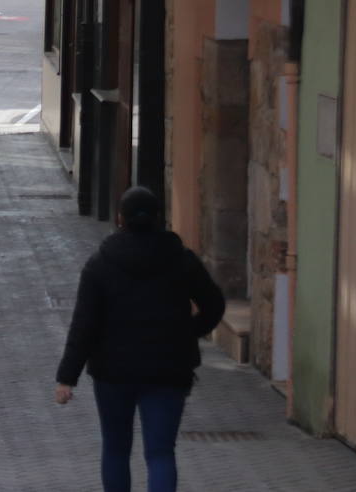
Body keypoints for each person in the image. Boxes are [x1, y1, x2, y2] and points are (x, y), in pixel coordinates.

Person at [54, 186, 225, 492]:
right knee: (160, 452)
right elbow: (214, 305)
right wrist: (189, 331)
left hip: (112, 371)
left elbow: (84, 325)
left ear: (120, 219)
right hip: (169, 369)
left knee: (116, 449)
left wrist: (67, 377)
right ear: (159, 218)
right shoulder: (182, 260)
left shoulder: (100, 264)